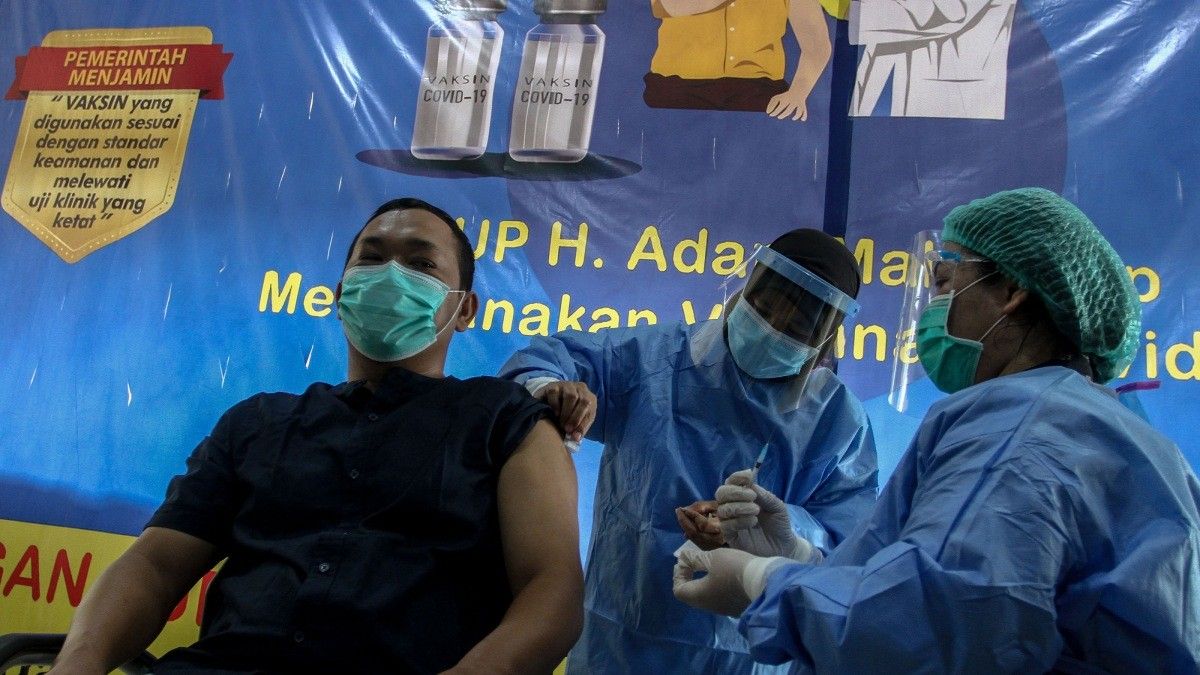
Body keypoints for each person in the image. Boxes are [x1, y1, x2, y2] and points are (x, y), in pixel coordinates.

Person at [674, 188, 1200, 672]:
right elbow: (930, 576)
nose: (933, 309)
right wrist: (799, 557)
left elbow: (932, 629)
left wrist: (759, 581)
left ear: (1013, 290)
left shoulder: (1019, 426)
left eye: (945, 283)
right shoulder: (1118, 433)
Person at [51, 198, 583, 674]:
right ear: (340, 293)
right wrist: (76, 665)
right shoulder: (255, 424)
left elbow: (551, 592)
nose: (391, 275)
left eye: (421, 264)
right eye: (372, 259)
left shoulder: (506, 422)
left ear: (464, 309)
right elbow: (155, 565)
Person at [499, 228, 877, 673]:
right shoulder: (653, 359)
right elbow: (545, 361)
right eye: (763, 308)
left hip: (746, 655)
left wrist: (779, 533)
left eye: (795, 327)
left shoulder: (836, 422)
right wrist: (552, 390)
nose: (771, 328)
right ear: (745, 288)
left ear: (826, 340)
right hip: (619, 637)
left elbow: (847, 547)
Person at [644, 0, 832, 119]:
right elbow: (666, 6)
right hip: (676, 89)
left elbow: (817, 46)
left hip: (758, 93)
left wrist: (798, 93)